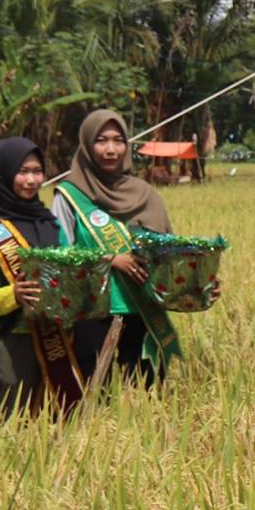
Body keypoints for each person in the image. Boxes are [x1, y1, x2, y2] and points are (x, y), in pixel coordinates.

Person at [50, 108, 181, 384]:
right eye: (101, 140)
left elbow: (168, 252)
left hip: (143, 310)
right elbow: (59, 255)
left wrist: (197, 281)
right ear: (86, 144)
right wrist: (110, 258)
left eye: (118, 140)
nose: (111, 149)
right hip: (93, 311)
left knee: (149, 393)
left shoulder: (145, 194)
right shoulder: (69, 195)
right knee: (95, 392)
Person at [0, 136, 85, 414]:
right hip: (11, 342)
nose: (32, 180)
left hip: (59, 337)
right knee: (8, 422)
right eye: (22, 171)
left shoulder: (50, 223)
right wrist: (13, 295)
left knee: (56, 417)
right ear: (2, 174)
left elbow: (69, 268)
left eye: (37, 171)